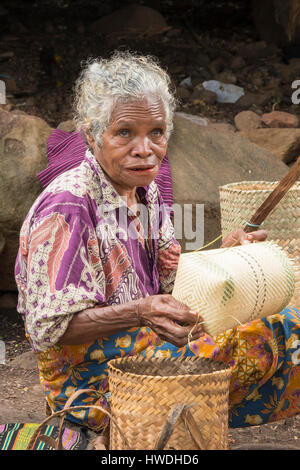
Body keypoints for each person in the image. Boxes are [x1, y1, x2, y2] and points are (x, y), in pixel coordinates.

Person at [15, 51, 300, 433]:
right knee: (278, 334)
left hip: (145, 346)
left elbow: (172, 286)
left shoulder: (143, 193)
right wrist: (139, 312)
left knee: (276, 316)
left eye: (157, 132)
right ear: (91, 135)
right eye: (124, 133)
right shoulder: (68, 207)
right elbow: (48, 328)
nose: (145, 149)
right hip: (93, 383)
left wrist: (228, 256)